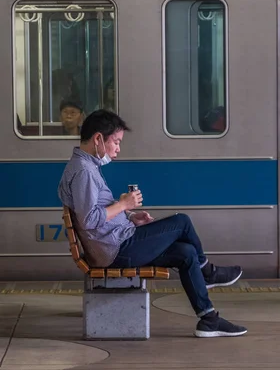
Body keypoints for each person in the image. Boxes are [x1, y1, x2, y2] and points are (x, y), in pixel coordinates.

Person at [57, 109, 247, 338]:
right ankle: (207, 271)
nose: (118, 148)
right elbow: (89, 220)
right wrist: (124, 205)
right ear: (98, 139)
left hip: (117, 243)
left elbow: (96, 214)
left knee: (186, 253)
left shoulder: (85, 166)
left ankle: (208, 319)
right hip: (117, 250)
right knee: (182, 222)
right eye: (116, 142)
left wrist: (129, 217)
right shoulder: (84, 171)